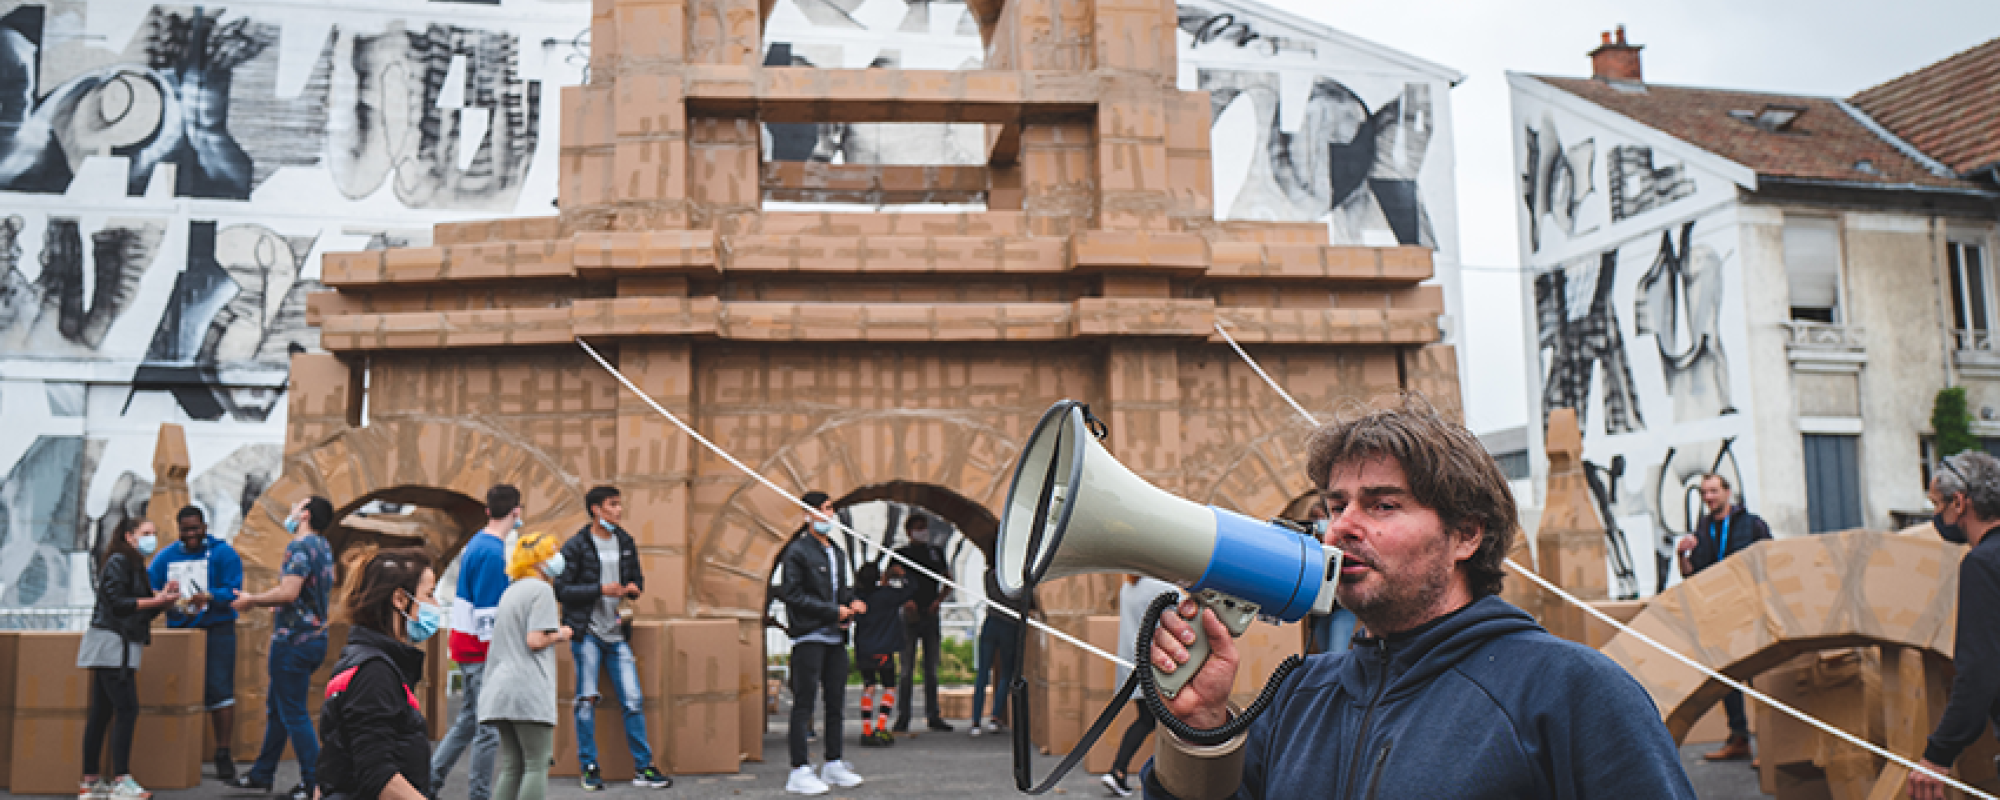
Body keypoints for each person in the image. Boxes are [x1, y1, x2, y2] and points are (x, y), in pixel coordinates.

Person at [1142, 397, 1696, 799]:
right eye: (1336, 506)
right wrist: (1203, 727)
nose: (1341, 528)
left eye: (1382, 505)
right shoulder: (1299, 692)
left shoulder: (1571, 690)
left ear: (1465, 535)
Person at [551, 485, 671, 790]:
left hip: (618, 633)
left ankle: (644, 768)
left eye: (619, 504)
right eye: (612, 505)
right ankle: (589, 767)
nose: (618, 510)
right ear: (596, 509)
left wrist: (632, 589)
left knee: (633, 699)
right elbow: (561, 590)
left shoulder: (626, 542)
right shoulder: (576, 546)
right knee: (586, 701)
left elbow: (638, 580)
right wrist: (600, 590)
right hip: (587, 633)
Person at [230, 497, 338, 800]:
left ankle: (314, 783)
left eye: (296, 507)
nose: (290, 512)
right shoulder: (323, 546)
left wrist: (252, 600)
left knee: (293, 713)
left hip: (293, 641)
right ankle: (262, 775)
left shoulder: (300, 547)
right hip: (314, 639)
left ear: (304, 514)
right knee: (278, 710)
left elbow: (289, 592)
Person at [1908, 452, 2000, 800]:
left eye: (1937, 504)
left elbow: (1980, 673)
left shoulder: (1983, 564)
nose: (1936, 516)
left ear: (1959, 503)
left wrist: (1937, 755)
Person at [316, 547, 439, 800]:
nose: (436, 605)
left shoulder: (367, 661)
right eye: (429, 594)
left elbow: (335, 760)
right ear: (399, 600)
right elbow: (377, 775)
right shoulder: (375, 672)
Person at [78, 518, 180, 800]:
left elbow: (141, 611)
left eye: (154, 533)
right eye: (146, 533)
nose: (152, 539)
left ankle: (91, 782)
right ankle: (120, 779)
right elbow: (118, 603)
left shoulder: (135, 566)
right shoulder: (120, 562)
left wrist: (163, 599)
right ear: (129, 536)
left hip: (118, 647)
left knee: (102, 713)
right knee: (126, 710)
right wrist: (157, 601)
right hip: (113, 646)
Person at [1674, 473, 1771, 762]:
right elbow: (1692, 575)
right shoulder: (1702, 531)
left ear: (1728, 492)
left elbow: (1771, 561)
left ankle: (1769, 746)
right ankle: (1739, 738)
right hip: (1720, 613)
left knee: (1760, 678)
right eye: (1705, 493)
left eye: (1714, 491)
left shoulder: (1752, 524)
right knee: (1727, 678)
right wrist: (1682, 555)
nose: (1709, 498)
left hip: (1750, 611)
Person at [775, 491, 866, 795]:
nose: (829, 515)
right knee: (804, 703)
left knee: (836, 703)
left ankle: (834, 762)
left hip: (836, 638)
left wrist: (852, 604)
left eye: (830, 510)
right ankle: (799, 769)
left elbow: (842, 591)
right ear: (807, 514)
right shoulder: (798, 551)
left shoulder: (837, 552)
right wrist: (831, 611)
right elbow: (792, 594)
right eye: (823, 510)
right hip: (809, 636)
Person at [147, 505, 244, 781]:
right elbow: (150, 587)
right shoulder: (166, 557)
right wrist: (164, 596)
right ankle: (175, 752)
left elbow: (234, 589)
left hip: (217, 629)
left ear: (205, 526)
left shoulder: (223, 553)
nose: (191, 534)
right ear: (179, 530)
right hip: (180, 630)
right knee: (177, 690)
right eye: (186, 529)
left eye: (195, 528)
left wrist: (210, 596)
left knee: (220, 688)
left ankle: (223, 753)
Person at [432, 485, 516, 800]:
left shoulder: (476, 545)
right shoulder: (494, 553)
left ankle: (429, 782)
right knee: (488, 729)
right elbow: (488, 616)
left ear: (487, 510)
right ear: (516, 512)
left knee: (468, 721)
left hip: (465, 647)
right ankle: (478, 795)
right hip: (482, 653)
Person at [481, 531, 572, 800]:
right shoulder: (542, 590)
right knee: (537, 763)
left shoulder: (511, 591)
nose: (557, 558)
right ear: (538, 561)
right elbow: (535, 639)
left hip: (500, 689)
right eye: (551, 553)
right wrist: (561, 633)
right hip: (528, 690)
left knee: (512, 765)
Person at [1101, 575, 1180, 797]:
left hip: (1132, 665)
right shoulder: (1160, 587)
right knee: (1157, 722)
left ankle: (1119, 771)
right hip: (1153, 668)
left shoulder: (1128, 587)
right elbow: (1188, 607)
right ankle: (1119, 771)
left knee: (1148, 720)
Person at [892, 514, 952, 733]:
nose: (923, 532)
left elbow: (948, 580)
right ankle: (903, 716)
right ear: (909, 532)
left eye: (924, 527)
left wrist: (938, 601)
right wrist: (903, 600)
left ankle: (933, 714)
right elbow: (888, 580)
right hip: (909, 616)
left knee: (931, 669)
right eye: (918, 528)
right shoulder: (901, 554)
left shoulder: (935, 553)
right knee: (906, 669)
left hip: (930, 613)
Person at [851, 561, 913, 747]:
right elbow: (912, 590)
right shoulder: (887, 596)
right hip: (884, 649)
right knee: (889, 687)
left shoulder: (856, 597)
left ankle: (866, 730)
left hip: (864, 648)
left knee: (869, 686)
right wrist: (902, 575)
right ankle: (881, 726)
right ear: (879, 578)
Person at [968, 575, 1020, 738]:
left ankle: (976, 722)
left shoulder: (991, 574)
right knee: (1006, 673)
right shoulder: (1016, 576)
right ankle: (994, 718)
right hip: (1009, 624)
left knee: (983, 673)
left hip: (990, 622)